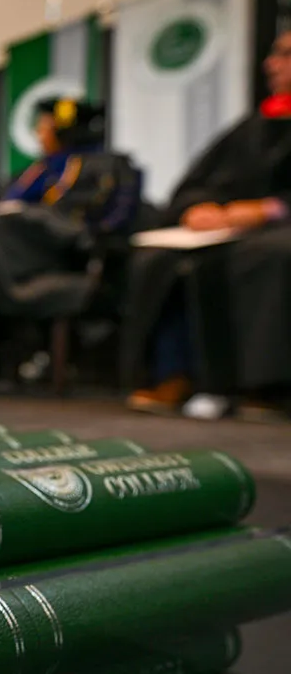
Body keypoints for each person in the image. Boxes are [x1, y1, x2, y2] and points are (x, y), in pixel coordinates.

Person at [121, 29, 291, 421]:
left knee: (267, 255)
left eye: (284, 54)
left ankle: (264, 385)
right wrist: (199, 208)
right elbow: (195, 183)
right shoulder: (251, 128)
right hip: (229, 230)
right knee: (161, 258)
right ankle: (176, 373)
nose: (271, 64)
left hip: (276, 229)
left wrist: (271, 209)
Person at [0, 98, 139, 392]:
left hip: (61, 257)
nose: (38, 133)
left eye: (44, 127)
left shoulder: (104, 166)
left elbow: (95, 225)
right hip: (9, 257)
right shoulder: (34, 171)